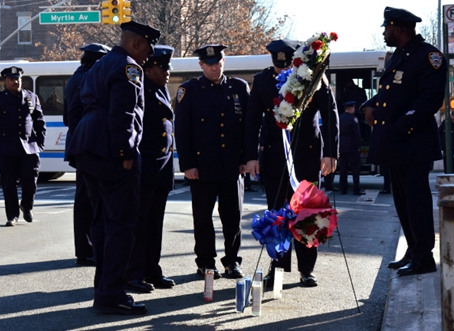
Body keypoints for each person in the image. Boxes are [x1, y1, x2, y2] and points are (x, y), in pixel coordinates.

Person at [67, 21, 160, 315]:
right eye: (147, 46)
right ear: (135, 44)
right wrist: (126, 152)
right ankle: (112, 294)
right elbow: (124, 112)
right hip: (111, 153)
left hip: (88, 148)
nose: (149, 53)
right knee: (120, 225)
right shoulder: (129, 67)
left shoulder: (100, 65)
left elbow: (79, 107)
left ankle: (104, 291)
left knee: (101, 224)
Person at [244, 39, 339, 287]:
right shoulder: (262, 80)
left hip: (306, 157)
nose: (281, 73)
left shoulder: (313, 78)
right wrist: (251, 156)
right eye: (278, 68)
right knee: (277, 213)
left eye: (286, 68)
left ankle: (307, 269)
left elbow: (330, 114)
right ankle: (277, 268)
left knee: (307, 213)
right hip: (274, 156)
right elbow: (252, 119)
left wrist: (331, 152)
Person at [362, 7, 447, 276]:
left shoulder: (429, 57)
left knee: (416, 201)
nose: (384, 33)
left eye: (386, 28)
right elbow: (390, 95)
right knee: (402, 200)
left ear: (398, 28)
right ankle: (413, 249)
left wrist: (398, 127)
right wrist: (370, 103)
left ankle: (424, 257)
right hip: (396, 144)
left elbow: (428, 101)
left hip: (412, 142)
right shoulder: (399, 56)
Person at [174, 44, 249, 279]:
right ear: (201, 66)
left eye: (218, 63)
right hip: (202, 167)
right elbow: (182, 131)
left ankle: (232, 262)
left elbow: (247, 127)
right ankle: (206, 262)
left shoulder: (238, 87)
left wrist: (246, 159)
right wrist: (187, 165)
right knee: (203, 218)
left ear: (223, 62)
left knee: (233, 218)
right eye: (209, 64)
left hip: (232, 166)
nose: (214, 68)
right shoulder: (189, 90)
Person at [126, 45, 176, 293]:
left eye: (169, 66)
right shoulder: (140, 88)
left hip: (161, 168)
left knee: (154, 224)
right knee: (140, 223)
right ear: (148, 67)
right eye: (163, 66)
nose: (168, 71)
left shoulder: (160, 88)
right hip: (145, 167)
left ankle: (151, 269)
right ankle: (134, 273)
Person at [63, 43, 111, 267]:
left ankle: (85, 248)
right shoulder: (86, 79)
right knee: (87, 200)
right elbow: (73, 115)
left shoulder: (77, 77)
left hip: (81, 145)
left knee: (85, 198)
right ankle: (86, 249)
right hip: (87, 146)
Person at [0, 66, 46, 226]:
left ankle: (27, 206)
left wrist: (40, 142)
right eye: (11, 79)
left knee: (31, 179)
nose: (15, 81)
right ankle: (12, 215)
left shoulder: (31, 97)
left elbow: (39, 120)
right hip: (5, 148)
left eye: (17, 78)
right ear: (5, 80)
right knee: (9, 183)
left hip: (29, 146)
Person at [338, 100, 364, 195]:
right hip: (352, 147)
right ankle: (356, 189)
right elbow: (357, 134)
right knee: (355, 169)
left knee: (343, 169)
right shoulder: (354, 119)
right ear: (351, 108)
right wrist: (358, 146)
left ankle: (343, 188)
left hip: (342, 146)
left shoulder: (340, 117)